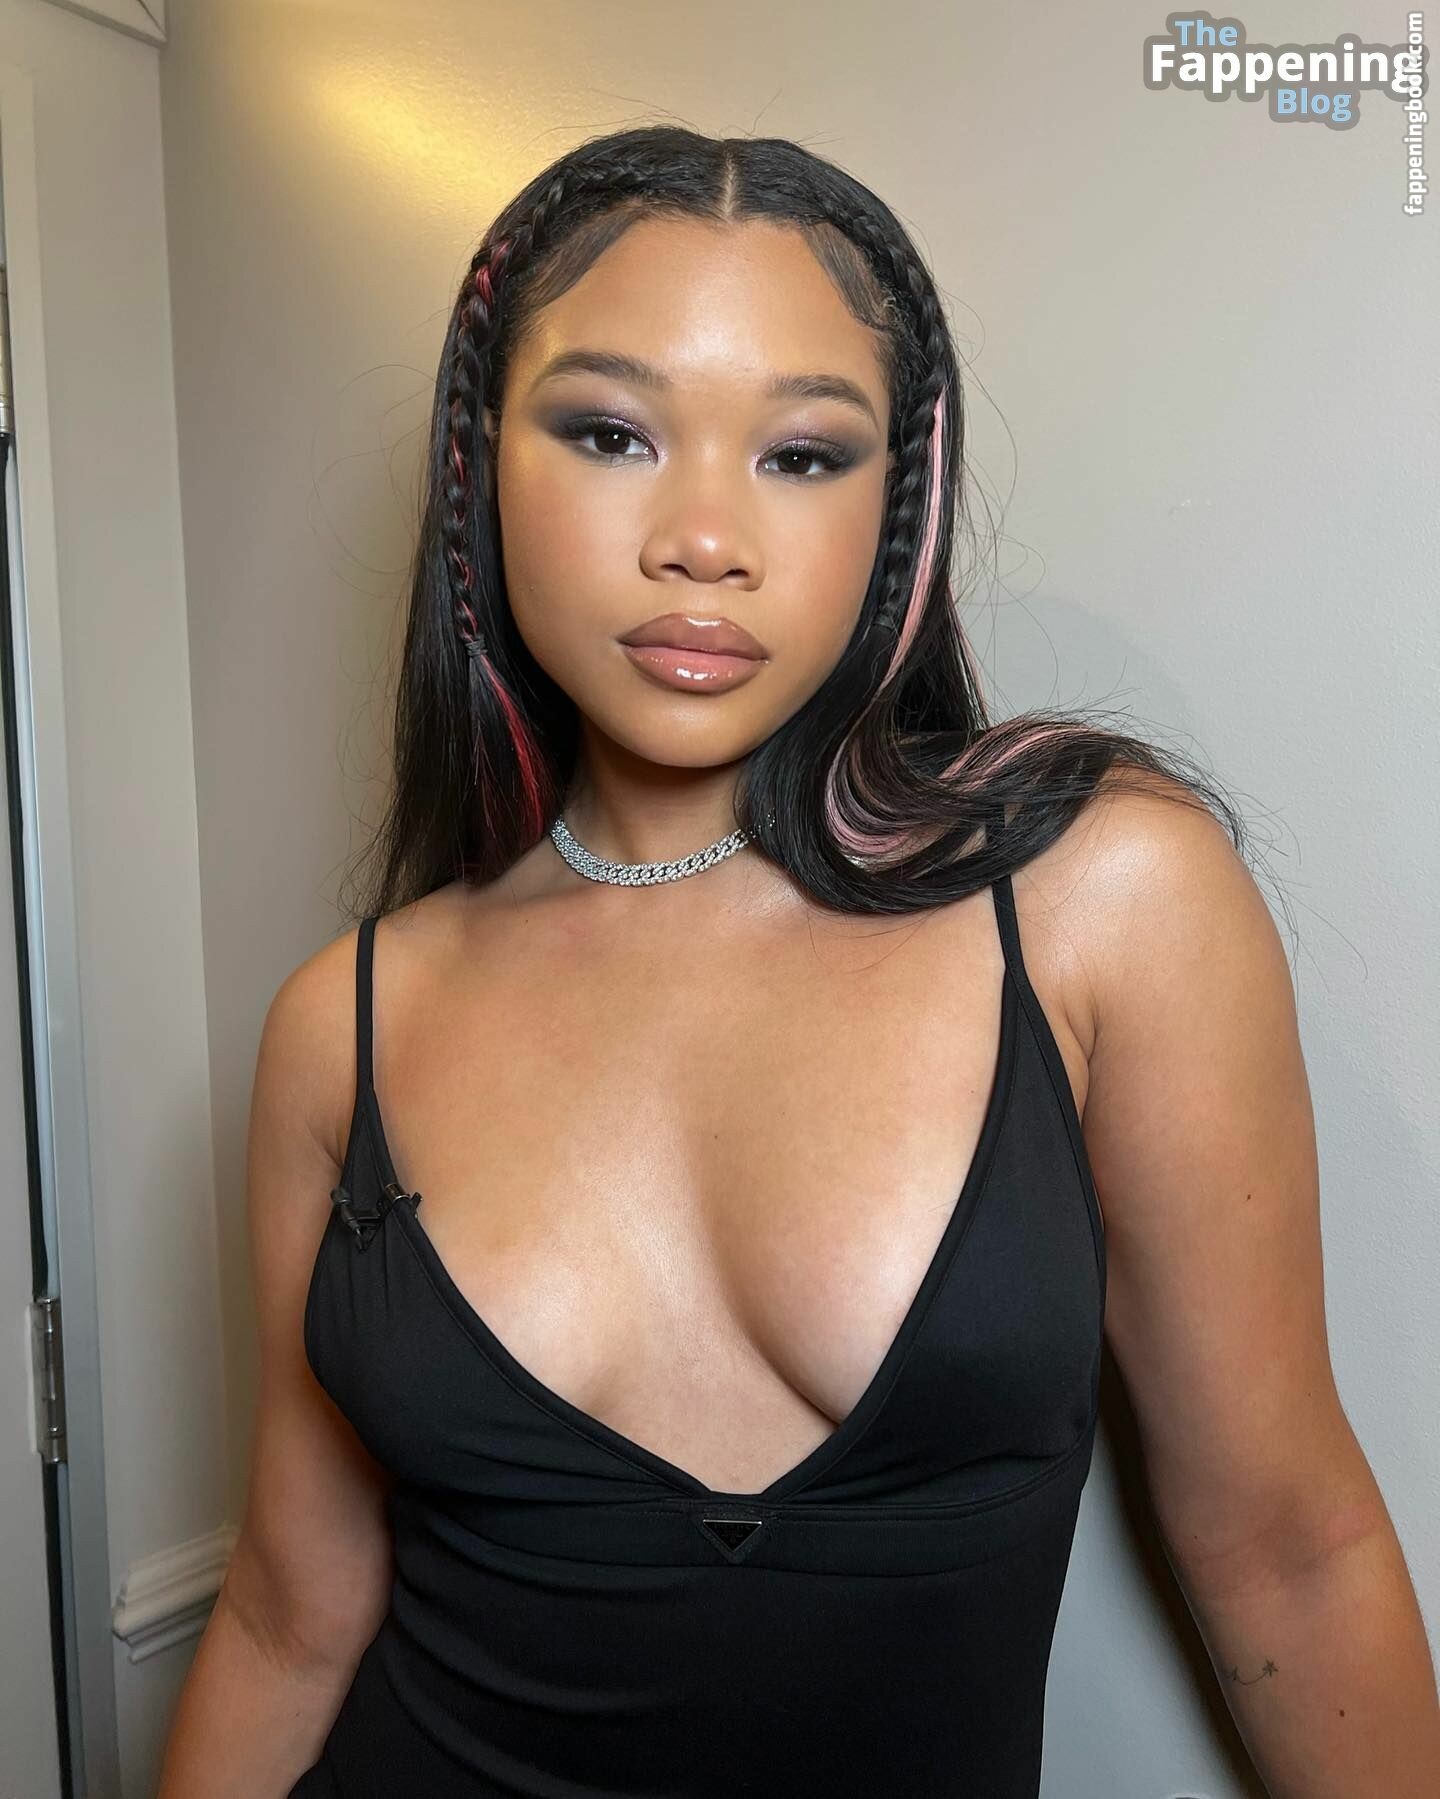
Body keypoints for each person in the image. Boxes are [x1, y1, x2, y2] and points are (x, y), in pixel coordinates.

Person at [159, 125, 1440, 1797]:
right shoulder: (349, 1024)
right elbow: (285, 1616)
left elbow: (1289, 1549)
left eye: (803, 454)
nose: (706, 538)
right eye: (610, 431)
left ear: (895, 506)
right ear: (481, 469)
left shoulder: (1096, 899)